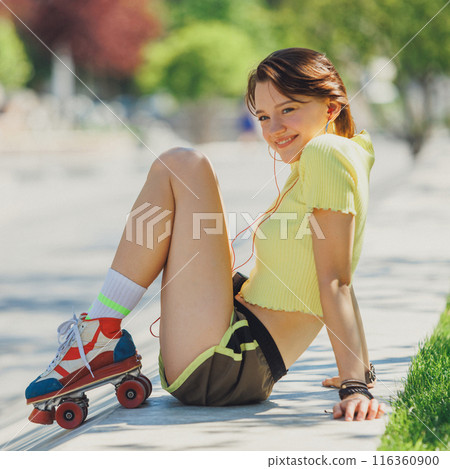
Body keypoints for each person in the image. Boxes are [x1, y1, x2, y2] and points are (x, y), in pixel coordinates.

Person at [26, 48, 386, 422]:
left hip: (227, 361)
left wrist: (354, 386)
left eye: (288, 109)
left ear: (330, 106)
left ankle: (98, 334)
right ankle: (98, 335)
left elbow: (337, 281)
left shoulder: (325, 154)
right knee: (188, 172)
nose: (273, 128)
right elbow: (341, 272)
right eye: (263, 116)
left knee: (182, 165)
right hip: (232, 347)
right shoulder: (345, 154)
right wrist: (360, 370)